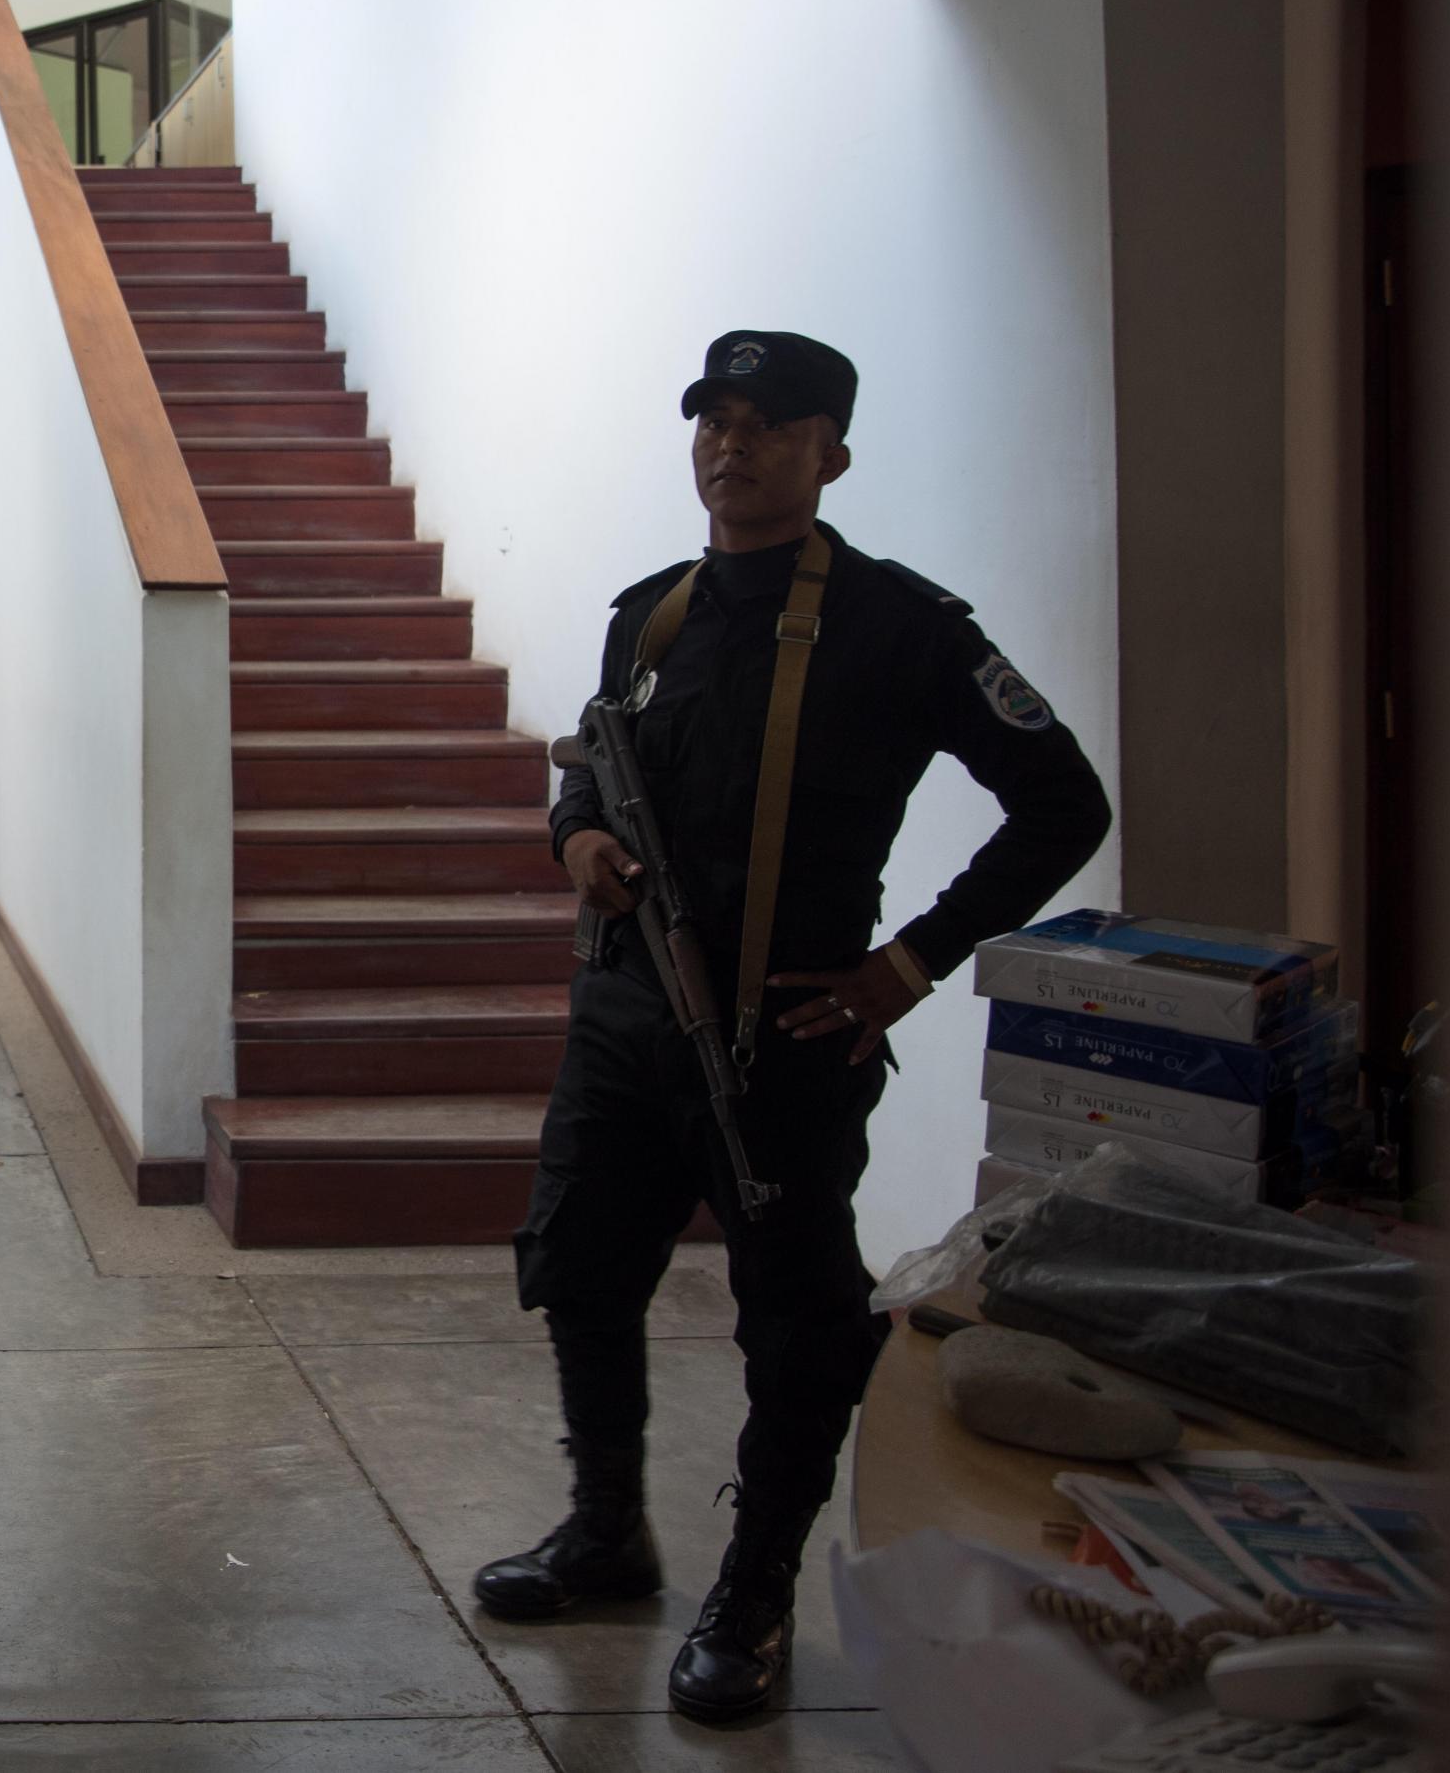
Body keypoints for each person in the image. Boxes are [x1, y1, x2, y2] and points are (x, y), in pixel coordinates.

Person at [473, 331, 1111, 1719]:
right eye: (715, 418)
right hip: (626, 1023)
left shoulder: (906, 626)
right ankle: (606, 1530)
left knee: (802, 1325)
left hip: (791, 1038)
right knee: (579, 1268)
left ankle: (753, 1591)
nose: (732, 445)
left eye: (770, 425)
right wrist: (576, 833)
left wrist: (913, 962)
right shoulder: (651, 610)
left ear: (832, 453)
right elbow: (589, 763)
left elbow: (1067, 802)